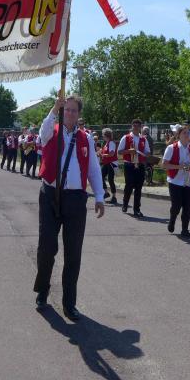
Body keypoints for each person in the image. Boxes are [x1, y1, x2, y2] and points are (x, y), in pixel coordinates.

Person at [33, 96, 105, 322]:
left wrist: (99, 196)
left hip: (75, 198)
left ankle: (69, 303)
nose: (70, 113)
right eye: (67, 110)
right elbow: (43, 132)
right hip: (50, 195)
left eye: (74, 110)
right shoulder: (51, 131)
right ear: (62, 112)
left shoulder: (86, 138)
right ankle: (43, 290)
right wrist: (55, 107)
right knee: (47, 248)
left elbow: (93, 168)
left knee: (73, 252)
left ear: (79, 114)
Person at [163, 124, 190, 239]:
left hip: (189, 181)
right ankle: (172, 219)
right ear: (178, 135)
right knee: (176, 206)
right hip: (175, 181)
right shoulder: (171, 148)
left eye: (188, 133)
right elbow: (164, 165)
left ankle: (185, 230)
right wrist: (180, 167)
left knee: (187, 207)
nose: (187, 135)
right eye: (184, 133)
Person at [118, 119, 148, 218]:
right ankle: (125, 203)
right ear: (131, 126)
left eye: (137, 126)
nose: (135, 127)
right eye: (134, 125)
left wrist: (146, 155)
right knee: (129, 186)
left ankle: (137, 209)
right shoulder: (126, 137)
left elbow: (147, 152)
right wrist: (129, 151)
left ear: (140, 127)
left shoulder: (144, 139)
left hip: (140, 165)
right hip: (129, 165)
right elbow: (119, 151)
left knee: (139, 188)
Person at [99, 128, 119, 205]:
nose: (102, 136)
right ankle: (106, 192)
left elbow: (112, 154)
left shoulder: (111, 143)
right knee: (100, 176)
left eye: (103, 135)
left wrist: (103, 155)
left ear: (106, 135)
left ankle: (114, 197)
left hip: (111, 163)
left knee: (110, 179)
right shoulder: (107, 143)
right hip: (106, 163)